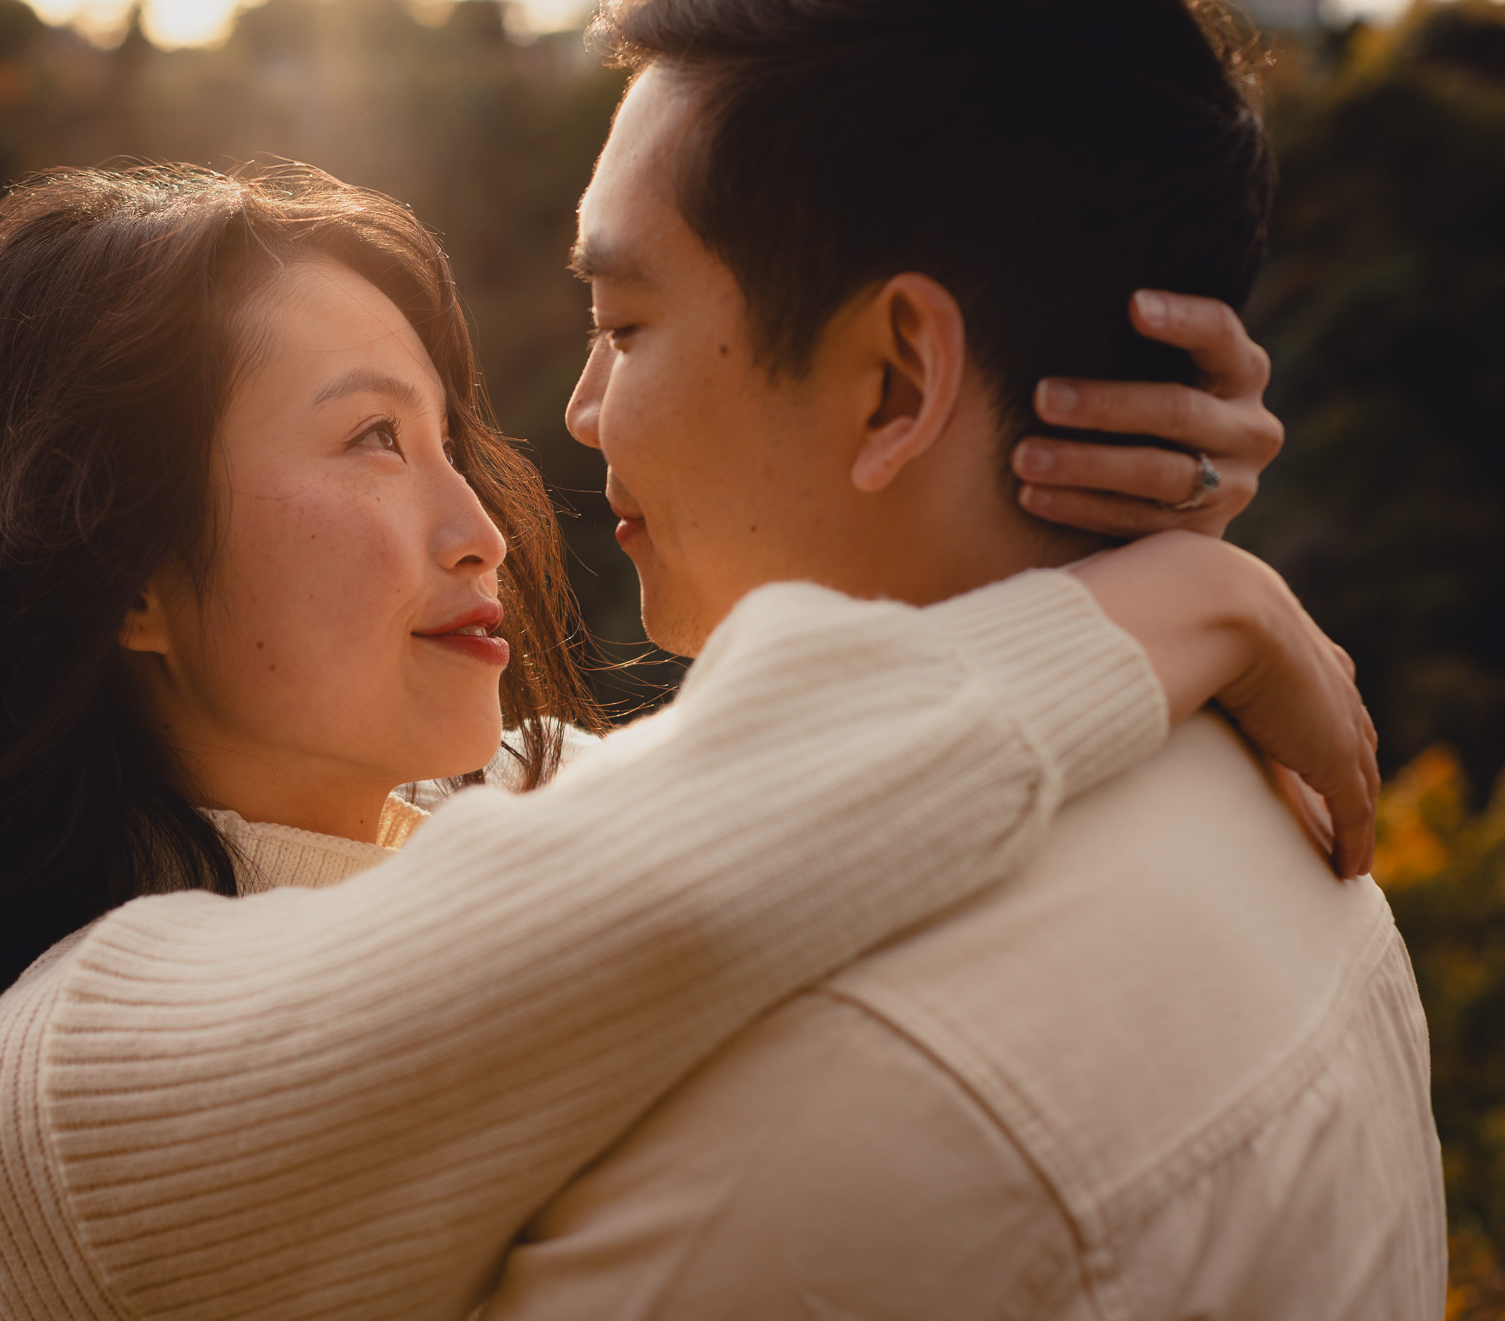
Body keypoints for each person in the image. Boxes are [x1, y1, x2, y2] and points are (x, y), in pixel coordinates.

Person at [0, 166, 1371, 1321]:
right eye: (370, 441)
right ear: (129, 571)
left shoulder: (542, 800)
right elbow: (712, 864)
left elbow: (840, 763)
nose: (483, 530)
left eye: (448, 441)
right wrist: (1183, 593)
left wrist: (1093, 510)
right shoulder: (57, 1100)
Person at [476, 0, 1443, 1316]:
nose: (585, 409)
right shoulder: (1280, 803)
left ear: (894, 383)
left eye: (624, 321)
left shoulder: (812, 1119)